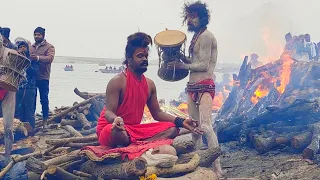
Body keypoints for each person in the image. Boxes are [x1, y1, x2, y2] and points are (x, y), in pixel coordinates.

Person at [97, 32, 202, 148]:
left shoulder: (150, 84)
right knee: (118, 134)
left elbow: (157, 113)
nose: (144, 59)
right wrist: (116, 120)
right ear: (129, 59)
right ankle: (140, 143)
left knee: (172, 129)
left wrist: (181, 121)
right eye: (140, 56)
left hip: (133, 130)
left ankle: (140, 145)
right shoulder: (117, 81)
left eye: (146, 56)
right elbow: (108, 112)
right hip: (112, 128)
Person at [167, 1, 222, 176]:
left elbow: (204, 65)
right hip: (192, 87)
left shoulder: (206, 36)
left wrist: (182, 66)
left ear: (202, 17)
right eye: (188, 17)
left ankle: (217, 169)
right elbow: (193, 62)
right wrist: (179, 57)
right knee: (194, 127)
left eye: (193, 17)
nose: (190, 20)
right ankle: (197, 163)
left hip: (204, 86)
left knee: (206, 126)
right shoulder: (196, 36)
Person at [29, 27, 55, 129]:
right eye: (35, 34)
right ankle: (32, 122)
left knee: (44, 99)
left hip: (43, 77)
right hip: (32, 77)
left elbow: (50, 58)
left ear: (43, 35)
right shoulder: (31, 46)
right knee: (32, 99)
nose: (36, 36)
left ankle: (45, 122)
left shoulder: (49, 47)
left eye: (38, 35)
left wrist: (38, 58)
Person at [15, 40, 39, 132]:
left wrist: (26, 61)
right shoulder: (15, 60)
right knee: (18, 110)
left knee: (30, 110)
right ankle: (18, 130)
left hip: (30, 88)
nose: (22, 48)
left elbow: (34, 72)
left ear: (28, 49)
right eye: (20, 47)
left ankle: (31, 131)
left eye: (24, 47)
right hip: (18, 88)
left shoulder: (33, 60)